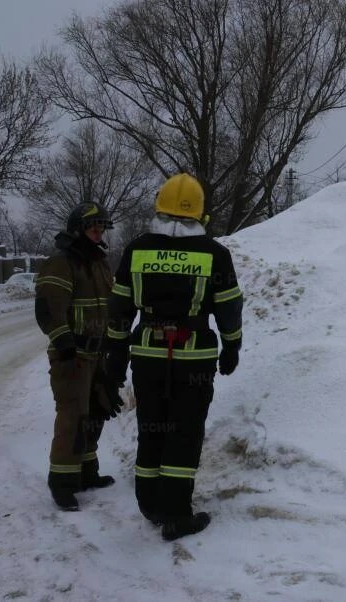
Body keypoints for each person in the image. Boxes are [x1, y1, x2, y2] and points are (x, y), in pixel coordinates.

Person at [105, 173, 243, 541]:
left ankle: (151, 505)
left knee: (152, 427)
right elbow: (229, 308)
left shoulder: (137, 250)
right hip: (194, 360)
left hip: (147, 358)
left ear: (159, 208)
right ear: (200, 214)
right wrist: (232, 346)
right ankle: (177, 516)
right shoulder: (215, 254)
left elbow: (119, 309)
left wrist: (115, 357)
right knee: (184, 432)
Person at [35, 202, 123, 511]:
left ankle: (86, 472)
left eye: (101, 228)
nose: (98, 233)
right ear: (77, 229)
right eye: (92, 228)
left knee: (97, 412)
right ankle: (61, 483)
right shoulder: (61, 263)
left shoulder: (99, 262)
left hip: (97, 354)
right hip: (72, 356)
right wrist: (65, 345)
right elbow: (48, 309)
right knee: (73, 416)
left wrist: (112, 345)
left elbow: (108, 307)